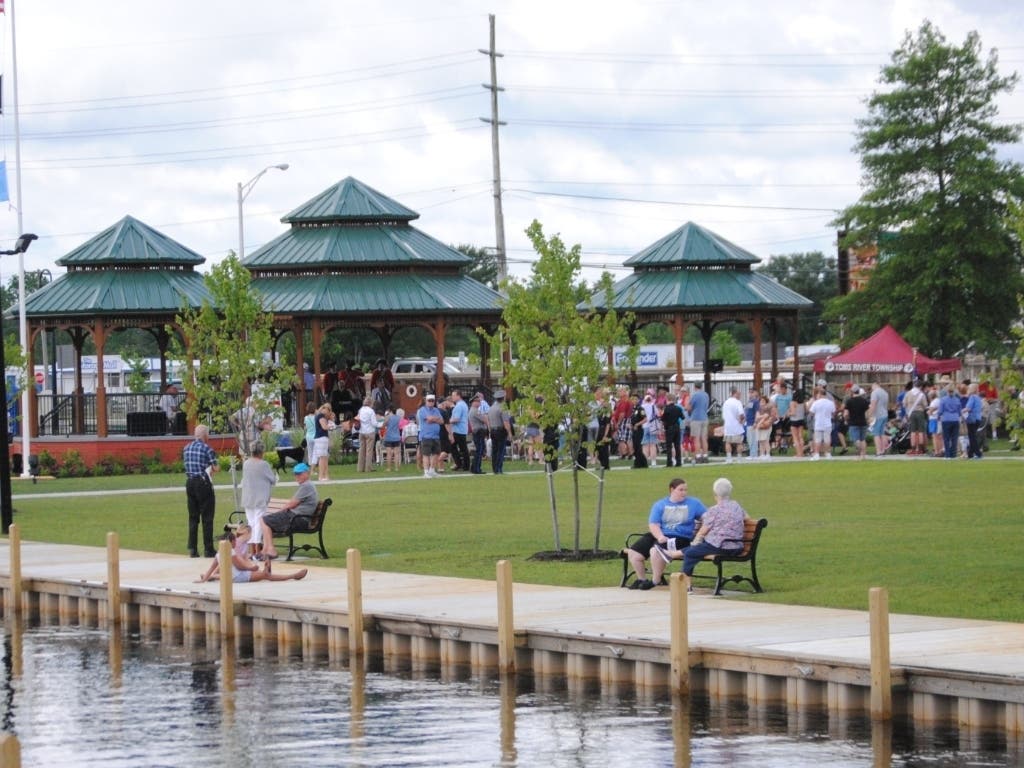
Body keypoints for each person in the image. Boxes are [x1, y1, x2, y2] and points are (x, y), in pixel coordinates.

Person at [624, 477, 707, 590]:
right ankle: (641, 579)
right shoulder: (660, 504)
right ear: (672, 490)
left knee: (655, 551)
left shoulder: (694, 503)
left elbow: (707, 518)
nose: (684, 493)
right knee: (634, 552)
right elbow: (653, 524)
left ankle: (655, 580)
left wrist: (701, 533)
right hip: (660, 535)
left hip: (680, 538)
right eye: (681, 490)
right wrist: (660, 536)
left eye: (685, 490)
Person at [681, 477, 750, 594]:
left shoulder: (714, 510)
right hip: (737, 546)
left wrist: (695, 542)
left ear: (715, 494)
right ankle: (671, 554)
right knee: (696, 549)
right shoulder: (736, 506)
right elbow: (747, 518)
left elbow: (703, 531)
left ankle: (687, 587)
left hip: (720, 546)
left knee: (690, 553)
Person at [196, 525, 307, 583]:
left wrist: (203, 579)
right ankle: (293, 576)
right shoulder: (231, 552)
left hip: (232, 576)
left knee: (262, 573)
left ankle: (267, 569)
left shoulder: (220, 551)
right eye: (235, 540)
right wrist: (252, 568)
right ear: (231, 541)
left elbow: (212, 567)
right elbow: (240, 566)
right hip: (237, 577)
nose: (236, 542)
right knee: (266, 576)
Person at [259, 462, 319, 559]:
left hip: (298, 519)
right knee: (265, 521)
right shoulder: (307, 485)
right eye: (295, 474)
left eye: (299, 474)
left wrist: (278, 512)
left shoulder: (306, 486)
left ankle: (270, 550)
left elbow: (291, 504)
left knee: (264, 520)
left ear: (307, 473)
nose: (297, 476)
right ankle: (265, 550)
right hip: (297, 518)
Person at [183, 424, 219, 558]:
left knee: (193, 517)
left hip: (190, 482)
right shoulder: (207, 448)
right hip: (203, 483)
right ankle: (208, 549)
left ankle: (192, 548)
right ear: (205, 436)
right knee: (207, 517)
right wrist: (212, 469)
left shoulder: (186, 448)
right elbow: (216, 467)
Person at [241, 441, 277, 557]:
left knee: (251, 523)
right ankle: (257, 550)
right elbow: (272, 479)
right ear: (261, 452)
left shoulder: (246, 463)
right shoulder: (264, 464)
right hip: (260, 498)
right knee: (258, 523)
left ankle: (252, 550)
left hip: (248, 497)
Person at [417, 393, 445, 478]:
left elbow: (442, 421)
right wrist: (435, 419)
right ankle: (426, 472)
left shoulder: (436, 410)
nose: (431, 402)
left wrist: (433, 419)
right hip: (426, 436)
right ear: (426, 401)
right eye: (429, 401)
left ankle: (432, 470)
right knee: (426, 454)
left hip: (435, 436)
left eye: (432, 401)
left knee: (436, 453)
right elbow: (428, 419)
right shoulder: (422, 410)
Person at [486, 388, 513, 475]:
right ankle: (499, 469)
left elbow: (488, 421)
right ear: (503, 398)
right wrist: (509, 433)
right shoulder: (503, 408)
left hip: (493, 431)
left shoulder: (491, 408)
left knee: (494, 450)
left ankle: (494, 468)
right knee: (501, 451)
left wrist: (490, 431)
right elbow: (506, 422)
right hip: (501, 431)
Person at [808, 386, 836, 460]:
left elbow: (811, 413)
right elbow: (833, 413)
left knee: (817, 440)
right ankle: (828, 454)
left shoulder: (816, 403)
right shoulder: (830, 403)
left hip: (818, 423)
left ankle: (816, 454)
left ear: (819, 394)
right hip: (827, 423)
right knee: (827, 439)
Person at [844, 386, 870, 459]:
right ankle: (864, 455)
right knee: (863, 439)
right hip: (863, 422)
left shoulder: (849, 401)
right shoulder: (864, 401)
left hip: (853, 423)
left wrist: (846, 420)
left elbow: (846, 413)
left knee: (856, 440)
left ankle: (861, 454)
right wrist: (867, 420)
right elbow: (867, 413)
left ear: (852, 392)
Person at [721, 387, 745, 464]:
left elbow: (723, 415)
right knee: (739, 442)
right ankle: (739, 458)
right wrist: (741, 421)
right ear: (735, 393)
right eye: (739, 394)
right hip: (736, 425)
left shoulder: (726, 402)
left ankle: (729, 458)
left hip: (728, 425)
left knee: (728, 442)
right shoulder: (738, 402)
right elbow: (741, 414)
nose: (740, 395)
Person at [311, 403, 335, 480]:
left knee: (324, 457)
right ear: (326, 409)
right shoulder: (320, 416)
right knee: (322, 458)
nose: (329, 413)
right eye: (329, 411)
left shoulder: (319, 416)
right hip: (321, 438)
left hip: (322, 438)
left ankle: (325, 476)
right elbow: (324, 427)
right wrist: (332, 426)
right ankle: (321, 476)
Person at [905, 379, 929, 455]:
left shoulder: (908, 393)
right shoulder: (921, 394)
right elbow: (925, 405)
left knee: (912, 432)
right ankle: (921, 449)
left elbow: (904, 403)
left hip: (911, 413)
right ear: (921, 386)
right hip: (920, 412)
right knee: (921, 431)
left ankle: (913, 448)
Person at [687, 382, 710, 464]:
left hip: (696, 418)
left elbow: (689, 407)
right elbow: (706, 406)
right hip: (704, 417)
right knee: (704, 438)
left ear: (695, 387)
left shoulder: (694, 395)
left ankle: (698, 456)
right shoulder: (706, 395)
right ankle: (705, 455)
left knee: (696, 439)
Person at [937, 384, 962, 459]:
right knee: (954, 438)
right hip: (955, 419)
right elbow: (959, 411)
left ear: (947, 391)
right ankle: (953, 454)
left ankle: (947, 454)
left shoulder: (943, 399)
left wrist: (938, 416)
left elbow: (940, 410)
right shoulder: (957, 400)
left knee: (946, 438)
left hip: (946, 419)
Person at [448, 390, 471, 471]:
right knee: (463, 448)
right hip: (462, 429)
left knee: (453, 447)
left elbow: (456, 419)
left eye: (453, 395)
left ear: (458, 396)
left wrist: (447, 421)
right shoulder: (463, 404)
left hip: (458, 430)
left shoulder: (458, 406)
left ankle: (460, 464)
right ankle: (464, 465)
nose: (452, 397)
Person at [661, 392, 685, 468]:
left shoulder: (667, 409)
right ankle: (678, 462)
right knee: (677, 446)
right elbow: (683, 417)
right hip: (677, 428)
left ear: (668, 399)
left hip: (669, 428)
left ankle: (669, 462)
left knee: (669, 446)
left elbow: (663, 418)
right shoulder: (678, 408)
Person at [356, 396, 379, 473]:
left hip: (362, 432)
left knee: (361, 450)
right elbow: (374, 423)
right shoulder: (371, 411)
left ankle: (360, 468)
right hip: (370, 431)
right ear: (371, 403)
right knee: (369, 451)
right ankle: (368, 468)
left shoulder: (360, 410)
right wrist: (380, 424)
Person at [868, 381, 890, 456]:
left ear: (874, 385)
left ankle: (878, 451)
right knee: (882, 433)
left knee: (876, 434)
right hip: (885, 414)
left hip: (878, 415)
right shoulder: (885, 393)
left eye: (872, 386)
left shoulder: (874, 393)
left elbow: (873, 404)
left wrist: (870, 415)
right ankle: (883, 450)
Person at [963, 382, 984, 460]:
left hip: (972, 418)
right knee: (973, 436)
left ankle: (978, 453)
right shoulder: (978, 398)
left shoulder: (972, 397)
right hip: (978, 418)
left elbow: (968, 408)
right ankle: (970, 453)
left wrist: (961, 411)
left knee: (972, 437)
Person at [469, 393, 489, 474]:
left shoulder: (474, 410)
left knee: (479, 450)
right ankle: (476, 468)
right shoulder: (475, 411)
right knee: (479, 451)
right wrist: (485, 416)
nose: (479, 403)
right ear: (473, 402)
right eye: (478, 401)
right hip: (479, 432)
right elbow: (485, 420)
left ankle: (474, 467)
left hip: (478, 432)